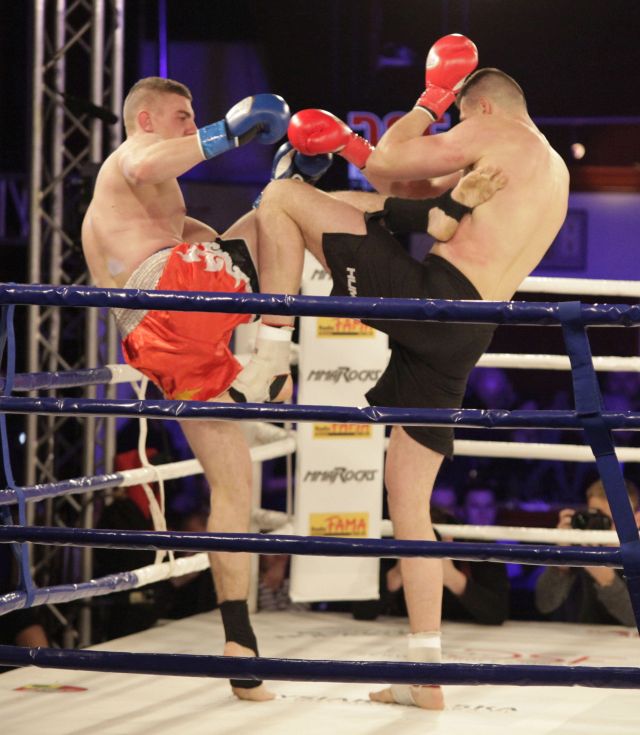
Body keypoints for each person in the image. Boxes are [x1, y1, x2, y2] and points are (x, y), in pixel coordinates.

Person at [241, 33, 569, 708]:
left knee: (281, 198)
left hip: (436, 300)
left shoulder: (495, 133)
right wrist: (351, 148)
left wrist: (431, 97)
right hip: (468, 329)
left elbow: (394, 157)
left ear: (481, 107)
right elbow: (403, 187)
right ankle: (426, 675)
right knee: (409, 501)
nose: (453, 128)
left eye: (458, 115)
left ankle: (270, 358)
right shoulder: (549, 166)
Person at [81, 76, 299, 700]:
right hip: (167, 297)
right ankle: (273, 355)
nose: (191, 122)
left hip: (165, 338)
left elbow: (224, 244)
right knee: (287, 207)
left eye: (196, 115)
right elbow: (146, 162)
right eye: (182, 114)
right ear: (146, 119)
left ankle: (240, 645)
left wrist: (278, 185)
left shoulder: (155, 204)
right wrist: (228, 134)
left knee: (234, 486)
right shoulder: (130, 159)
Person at [535, 479, 640, 626]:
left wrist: (606, 579)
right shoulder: (580, 545)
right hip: (580, 635)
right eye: (595, 516)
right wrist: (561, 557)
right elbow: (544, 604)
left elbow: (636, 618)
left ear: (636, 519)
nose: (600, 524)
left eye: (611, 519)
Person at [384, 505, 509, 625]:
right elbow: (372, 609)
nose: (428, 548)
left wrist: (452, 578)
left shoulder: (476, 550)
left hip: (465, 631)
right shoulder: (394, 549)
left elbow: (498, 614)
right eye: (424, 541)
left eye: (432, 539)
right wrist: (398, 573)